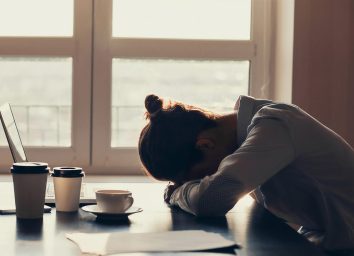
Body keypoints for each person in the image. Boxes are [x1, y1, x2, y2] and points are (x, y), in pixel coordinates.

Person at [138, 94, 354, 251]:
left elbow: (211, 199)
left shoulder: (274, 128)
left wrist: (177, 194)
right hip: (324, 240)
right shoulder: (247, 132)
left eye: (191, 179)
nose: (199, 182)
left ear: (205, 145)